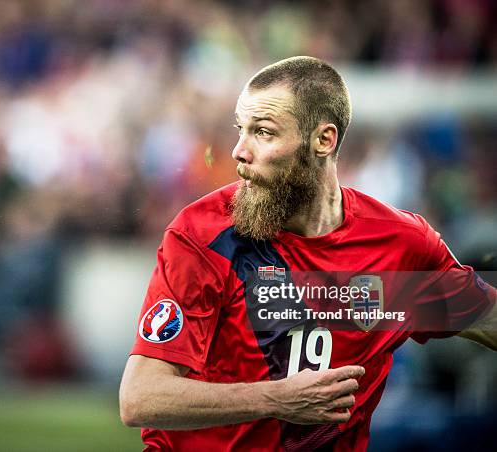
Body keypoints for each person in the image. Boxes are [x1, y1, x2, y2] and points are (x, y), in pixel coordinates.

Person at [119, 56, 496, 451]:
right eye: (240, 130)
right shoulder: (204, 234)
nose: (238, 152)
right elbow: (141, 397)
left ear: (323, 140)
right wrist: (277, 399)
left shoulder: (400, 246)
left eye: (262, 132)